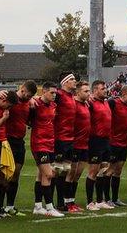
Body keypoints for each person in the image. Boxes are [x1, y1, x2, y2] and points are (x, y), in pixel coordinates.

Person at [4, 80, 37, 216]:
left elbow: (29, 120)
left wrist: (32, 101)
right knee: (3, 175)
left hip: (19, 141)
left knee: (16, 174)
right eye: (28, 95)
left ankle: (10, 206)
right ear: (22, 89)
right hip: (6, 141)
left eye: (31, 96)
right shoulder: (10, 99)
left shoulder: (28, 104)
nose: (28, 98)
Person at [30, 82, 64, 217]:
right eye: (52, 92)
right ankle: (50, 208)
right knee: (49, 174)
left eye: (55, 93)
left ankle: (38, 206)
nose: (54, 95)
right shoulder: (35, 104)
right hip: (39, 143)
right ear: (43, 91)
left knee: (41, 175)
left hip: (50, 143)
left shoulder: (53, 105)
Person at [87, 80, 114, 210]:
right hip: (95, 140)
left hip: (106, 140)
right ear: (95, 90)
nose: (105, 90)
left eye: (105, 88)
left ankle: (99, 200)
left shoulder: (106, 102)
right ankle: (89, 202)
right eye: (102, 89)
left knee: (103, 170)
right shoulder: (90, 103)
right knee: (93, 171)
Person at [107, 85, 127, 206]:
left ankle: (115, 198)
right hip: (113, 143)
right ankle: (106, 199)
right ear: (123, 94)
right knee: (109, 170)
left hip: (124, 143)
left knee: (118, 171)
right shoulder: (113, 103)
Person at [53, 72, 77, 211]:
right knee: (56, 170)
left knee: (65, 170)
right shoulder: (59, 95)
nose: (75, 81)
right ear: (65, 82)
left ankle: (61, 202)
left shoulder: (71, 96)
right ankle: (51, 203)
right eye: (72, 79)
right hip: (60, 138)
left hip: (70, 138)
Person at [66, 81, 90, 212]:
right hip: (74, 143)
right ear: (78, 92)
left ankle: (71, 201)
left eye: (89, 91)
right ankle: (66, 202)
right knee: (71, 173)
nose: (88, 93)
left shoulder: (86, 104)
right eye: (86, 91)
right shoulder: (73, 104)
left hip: (84, 144)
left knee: (77, 174)